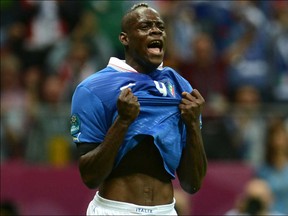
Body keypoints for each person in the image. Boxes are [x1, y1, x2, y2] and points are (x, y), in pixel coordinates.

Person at [70, 3, 207, 215]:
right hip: (115, 210)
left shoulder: (181, 87)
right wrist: (123, 122)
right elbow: (90, 177)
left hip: (166, 210)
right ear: (124, 38)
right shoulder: (93, 89)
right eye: (145, 26)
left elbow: (193, 184)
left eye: (160, 27)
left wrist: (192, 125)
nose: (155, 31)